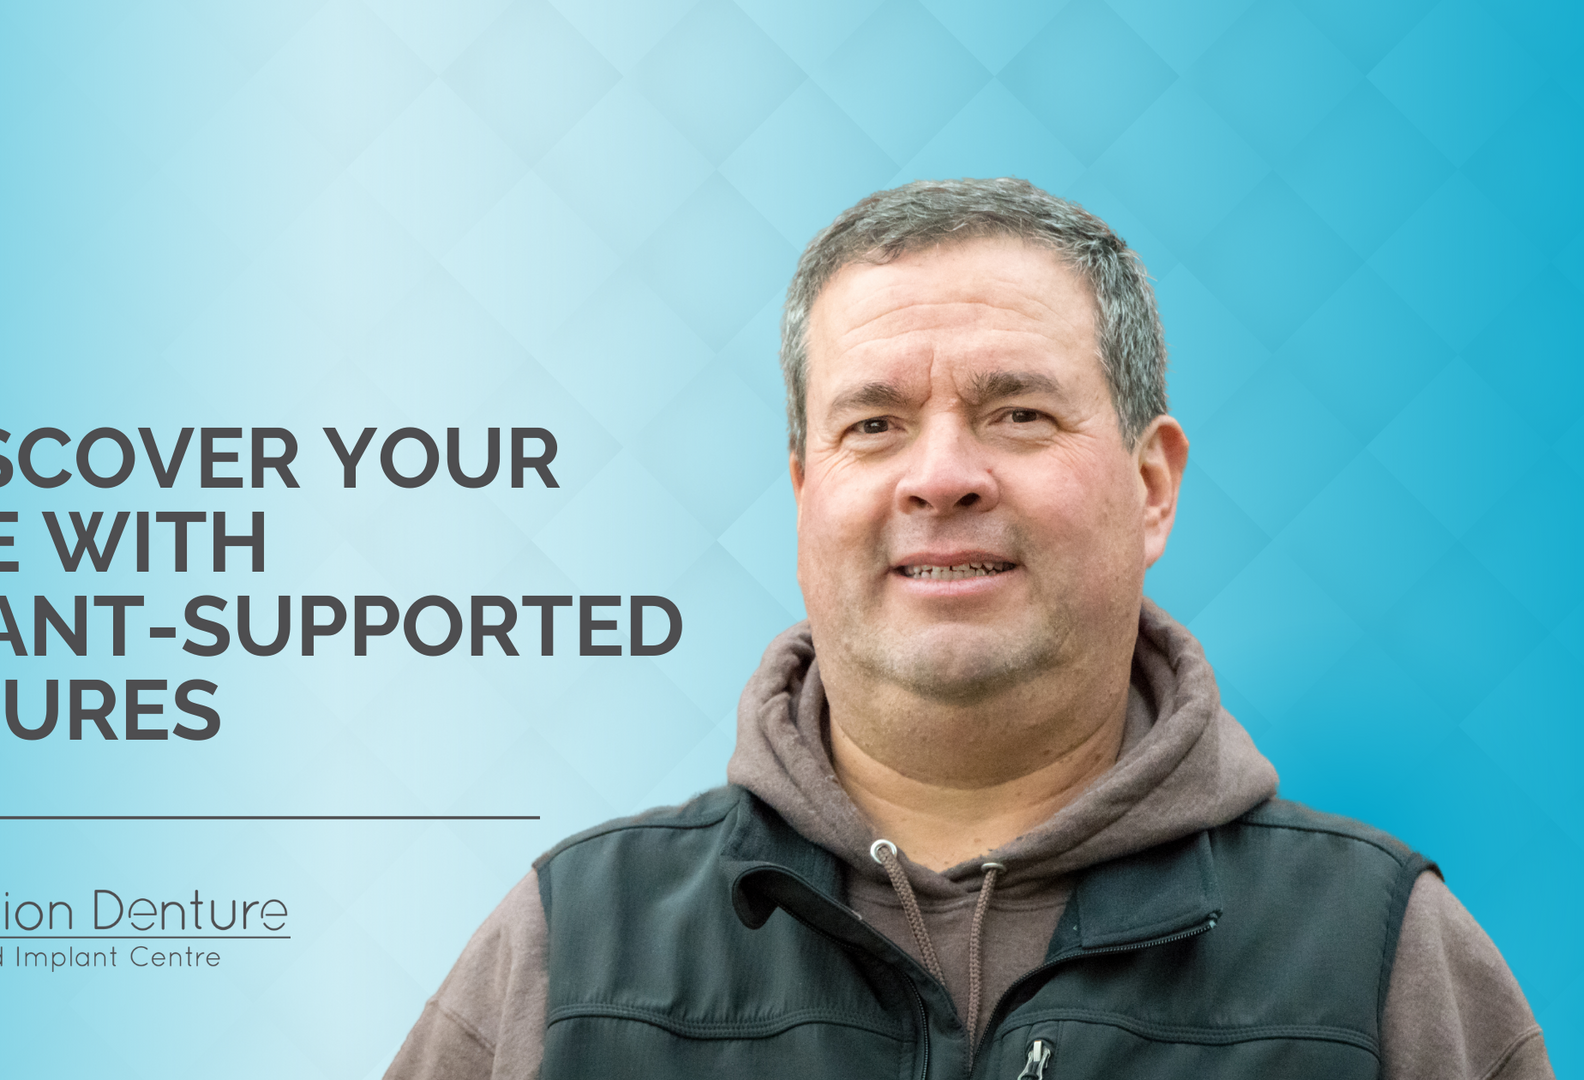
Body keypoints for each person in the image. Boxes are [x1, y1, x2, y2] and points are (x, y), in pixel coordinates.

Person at [383, 179, 1551, 1079]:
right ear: (805, 490)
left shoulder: (1383, 957)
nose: (940, 476)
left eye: (1018, 412)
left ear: (1152, 487)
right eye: (876, 424)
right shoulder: (571, 952)